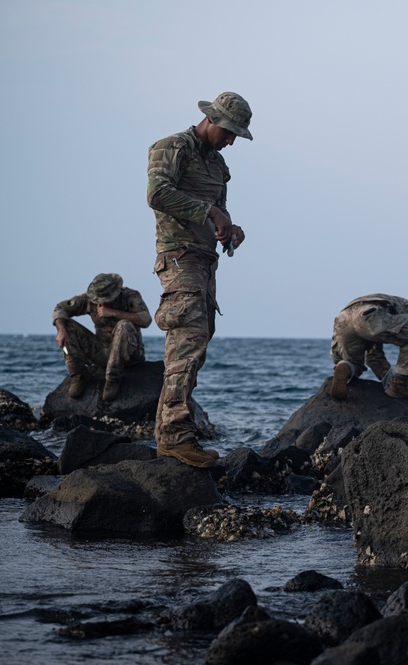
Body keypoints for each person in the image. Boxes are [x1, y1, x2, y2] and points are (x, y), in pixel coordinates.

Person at [147, 91, 252, 469]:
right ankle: (176, 436)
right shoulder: (173, 146)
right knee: (186, 343)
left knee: (196, 347)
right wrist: (208, 211)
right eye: (229, 132)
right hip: (179, 257)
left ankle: (172, 434)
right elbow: (157, 193)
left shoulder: (218, 165)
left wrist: (229, 227)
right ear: (212, 120)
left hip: (205, 261)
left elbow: (218, 210)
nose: (231, 140)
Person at [52, 273, 151, 401]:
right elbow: (60, 308)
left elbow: (146, 319)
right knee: (67, 326)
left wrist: (114, 313)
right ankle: (79, 375)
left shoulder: (129, 296)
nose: (101, 303)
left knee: (124, 325)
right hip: (102, 351)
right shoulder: (89, 299)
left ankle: (113, 379)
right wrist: (61, 329)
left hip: (129, 355)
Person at [330, 294, 408, 400]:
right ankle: (400, 384)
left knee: (354, 362)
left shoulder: (386, 308)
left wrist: (389, 381)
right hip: (371, 316)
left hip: (343, 318)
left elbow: (374, 357)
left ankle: (345, 366)